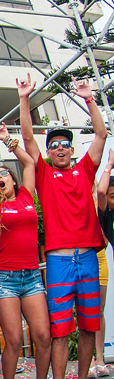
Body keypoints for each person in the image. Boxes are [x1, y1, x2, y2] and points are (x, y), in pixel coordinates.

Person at [18, 74, 107, 379]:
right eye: (53, 145)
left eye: (64, 145)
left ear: (71, 149)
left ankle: (81, 376)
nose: (59, 148)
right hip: (58, 259)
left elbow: (101, 134)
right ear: (49, 151)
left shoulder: (84, 169)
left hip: (87, 259)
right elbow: (28, 139)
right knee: (59, 329)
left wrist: (88, 98)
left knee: (89, 326)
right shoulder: (42, 173)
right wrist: (24, 98)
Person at [0, 122, 51, 379]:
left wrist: (8, 140)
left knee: (43, 336)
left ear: (12, 179)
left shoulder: (26, 197)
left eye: (3, 174)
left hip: (31, 276)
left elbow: (30, 163)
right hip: (4, 279)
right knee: (14, 340)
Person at [93, 149, 114, 378]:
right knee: (84, 311)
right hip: (72, 256)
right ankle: (93, 359)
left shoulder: (99, 199)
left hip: (98, 256)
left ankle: (99, 359)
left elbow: (100, 190)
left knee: (98, 310)